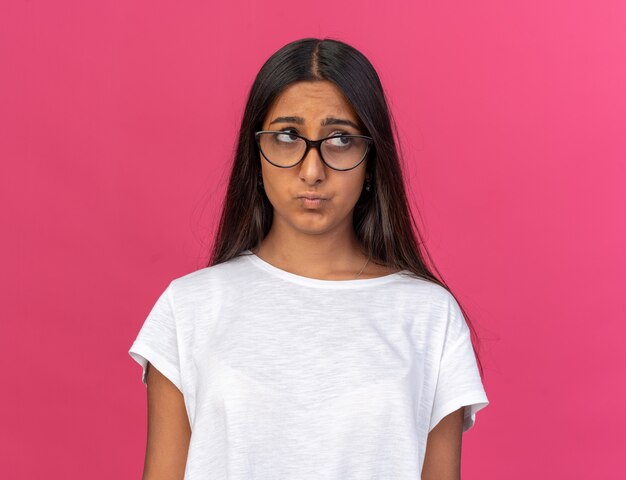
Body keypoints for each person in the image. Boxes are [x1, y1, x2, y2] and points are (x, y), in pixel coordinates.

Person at [128, 37, 489, 480]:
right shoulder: (188, 309)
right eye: (286, 137)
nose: (311, 170)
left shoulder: (429, 317)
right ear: (254, 153)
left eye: (339, 139)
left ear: (372, 158)